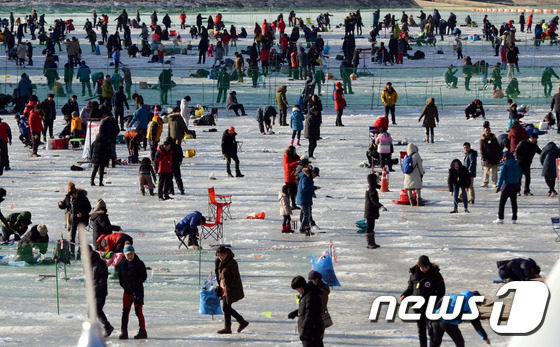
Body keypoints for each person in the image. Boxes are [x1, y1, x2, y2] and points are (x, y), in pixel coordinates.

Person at [400, 255, 445, 347]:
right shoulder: (413, 275)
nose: (425, 269)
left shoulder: (435, 274)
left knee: (431, 331)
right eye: (422, 267)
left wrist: (434, 302)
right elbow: (410, 288)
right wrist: (404, 294)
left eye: (426, 267)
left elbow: (441, 291)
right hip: (418, 307)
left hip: (430, 307)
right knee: (421, 331)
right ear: (418, 265)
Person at [215, 246, 249, 334]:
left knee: (226, 307)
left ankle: (241, 322)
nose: (220, 258)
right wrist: (220, 285)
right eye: (218, 256)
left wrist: (229, 287)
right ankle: (229, 327)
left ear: (226, 254)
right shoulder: (220, 262)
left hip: (230, 289)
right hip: (224, 288)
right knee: (227, 308)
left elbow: (236, 277)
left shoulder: (232, 262)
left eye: (222, 255)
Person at [118, 242, 147, 340]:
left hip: (137, 292)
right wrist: (124, 286)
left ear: (134, 253)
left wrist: (135, 285)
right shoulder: (122, 264)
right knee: (125, 312)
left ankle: (143, 331)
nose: (130, 256)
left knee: (138, 312)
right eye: (128, 254)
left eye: (131, 254)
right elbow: (120, 277)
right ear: (124, 255)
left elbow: (143, 276)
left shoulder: (139, 263)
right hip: (127, 292)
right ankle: (124, 331)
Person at [288, 275, 324, 346]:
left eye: (297, 289)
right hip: (310, 331)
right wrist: (295, 313)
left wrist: (304, 331)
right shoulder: (306, 294)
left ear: (301, 286)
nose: (298, 291)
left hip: (312, 331)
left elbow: (310, 315)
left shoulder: (310, 295)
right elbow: (306, 308)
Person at [87, 244, 114, 338]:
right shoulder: (87, 263)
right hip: (91, 291)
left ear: (91, 252)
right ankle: (93, 331)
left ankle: (107, 327)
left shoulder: (100, 262)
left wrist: (98, 287)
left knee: (97, 310)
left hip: (100, 291)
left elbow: (103, 277)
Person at [58, 182, 91, 257]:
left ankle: (79, 252)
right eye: (70, 195)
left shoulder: (82, 197)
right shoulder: (68, 197)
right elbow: (64, 205)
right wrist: (60, 204)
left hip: (81, 219)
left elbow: (88, 208)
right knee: (72, 236)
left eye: (72, 194)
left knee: (80, 236)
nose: (71, 196)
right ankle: (72, 252)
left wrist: (82, 213)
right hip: (73, 219)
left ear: (75, 192)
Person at [494, 150, 522, 224]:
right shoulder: (517, 165)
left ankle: (500, 218)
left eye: (504, 156)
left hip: (506, 186)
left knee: (502, 203)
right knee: (514, 203)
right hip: (515, 186)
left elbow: (501, 177)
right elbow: (520, 176)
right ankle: (514, 219)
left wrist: (498, 186)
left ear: (506, 157)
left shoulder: (504, 166)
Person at [364, 173, 387, 249]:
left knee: (372, 226)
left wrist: (381, 186)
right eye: (376, 179)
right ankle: (369, 243)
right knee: (369, 227)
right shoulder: (371, 190)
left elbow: (376, 186)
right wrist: (381, 206)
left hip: (371, 211)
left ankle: (372, 242)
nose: (378, 181)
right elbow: (374, 201)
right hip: (370, 211)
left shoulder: (371, 187)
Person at [297, 166, 320, 236]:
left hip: (307, 198)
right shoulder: (305, 177)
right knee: (307, 215)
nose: (315, 177)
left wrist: (313, 193)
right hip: (304, 198)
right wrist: (314, 188)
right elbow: (304, 188)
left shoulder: (309, 177)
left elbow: (308, 187)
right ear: (312, 172)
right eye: (315, 175)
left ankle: (306, 227)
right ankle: (302, 229)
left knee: (306, 213)